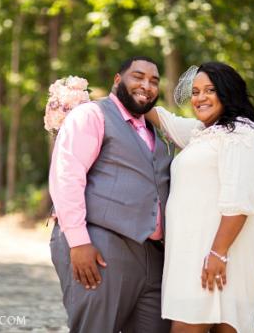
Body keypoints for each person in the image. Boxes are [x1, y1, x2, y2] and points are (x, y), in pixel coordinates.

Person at [48, 56, 172, 332]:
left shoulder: (156, 134)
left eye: (154, 81)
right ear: (118, 80)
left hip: (153, 255)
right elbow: (67, 177)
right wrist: (78, 242)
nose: (146, 85)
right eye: (138, 76)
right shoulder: (92, 115)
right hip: (101, 246)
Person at [145, 62, 254, 333]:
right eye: (196, 91)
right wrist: (115, 95)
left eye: (209, 90)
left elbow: (239, 200)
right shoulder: (201, 132)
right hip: (193, 253)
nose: (200, 98)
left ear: (228, 92)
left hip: (223, 253)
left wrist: (218, 253)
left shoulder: (242, 133)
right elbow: (162, 117)